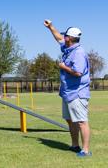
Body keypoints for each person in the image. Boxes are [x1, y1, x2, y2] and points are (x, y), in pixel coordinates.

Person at [44, 19, 92, 157]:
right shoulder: (67, 46)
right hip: (67, 92)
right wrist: (50, 27)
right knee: (70, 120)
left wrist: (63, 66)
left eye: (66, 36)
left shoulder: (78, 53)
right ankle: (75, 145)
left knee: (82, 121)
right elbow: (58, 37)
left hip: (77, 93)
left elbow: (78, 72)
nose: (63, 37)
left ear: (70, 38)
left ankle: (86, 150)